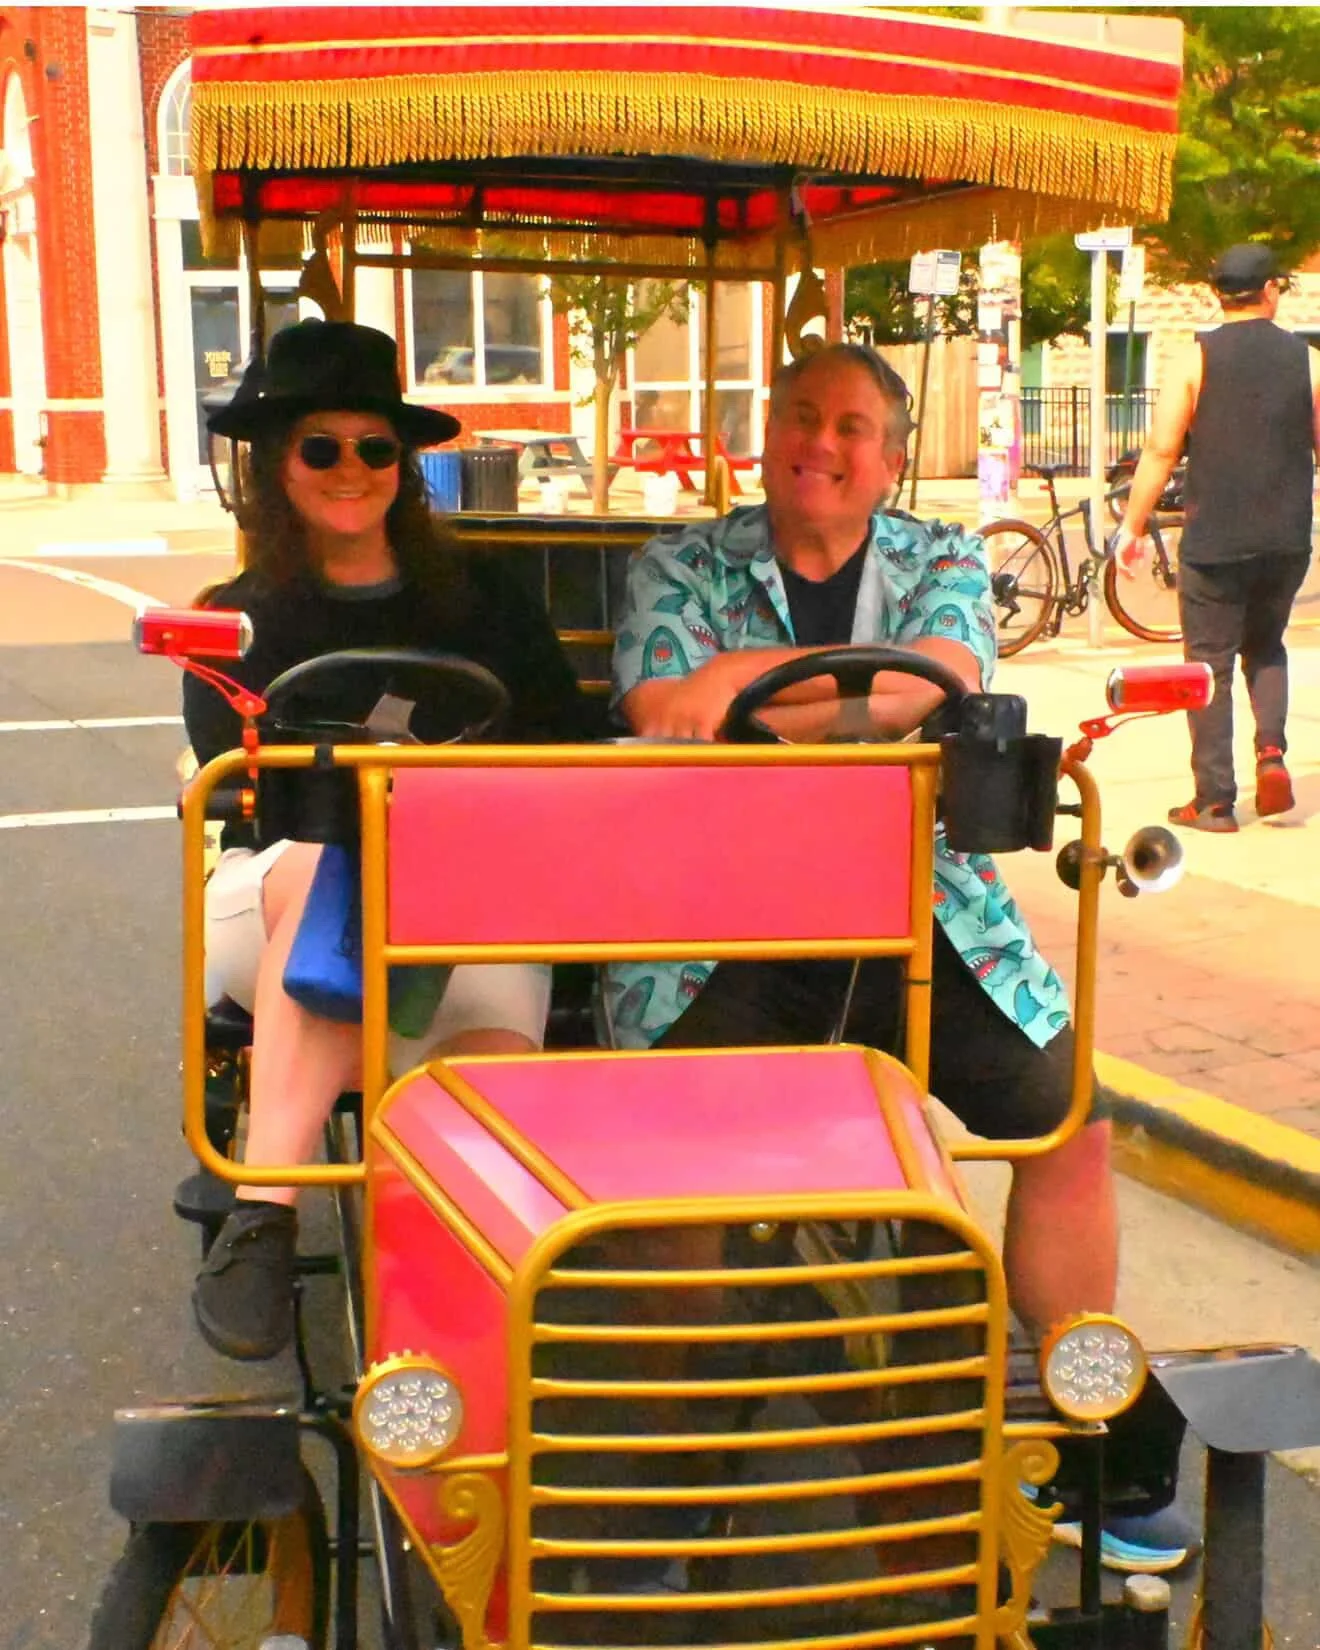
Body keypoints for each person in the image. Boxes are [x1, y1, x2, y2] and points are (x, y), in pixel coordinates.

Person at [607, 341, 1196, 1574]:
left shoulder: (937, 555)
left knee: (1068, 1116)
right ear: (765, 433)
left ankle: (1084, 1384)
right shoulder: (680, 560)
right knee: (670, 1159)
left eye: (852, 427)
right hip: (719, 915)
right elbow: (666, 708)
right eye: (800, 417)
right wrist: (836, 697)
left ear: (887, 457)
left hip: (916, 896)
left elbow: (945, 678)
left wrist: (746, 689)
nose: (821, 444)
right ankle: (668, 1443)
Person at [185, 318, 589, 1361]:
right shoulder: (237, 616)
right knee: (334, 864)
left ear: (402, 466)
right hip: (280, 896)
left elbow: (565, 742)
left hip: (464, 902)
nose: (351, 469)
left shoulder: (484, 603)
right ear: (279, 466)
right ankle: (266, 1212)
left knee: (493, 1067)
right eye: (322, 447)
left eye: (376, 447)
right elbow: (247, 795)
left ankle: (457, 1352)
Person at [1115, 243, 1320, 833]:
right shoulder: (1307, 361)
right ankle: (1272, 752)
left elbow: (1160, 449)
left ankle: (1214, 800)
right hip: (1285, 539)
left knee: (1208, 666)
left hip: (1214, 541)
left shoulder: (1195, 357)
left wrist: (1132, 527)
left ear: (1216, 295)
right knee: (1267, 646)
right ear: (1271, 291)